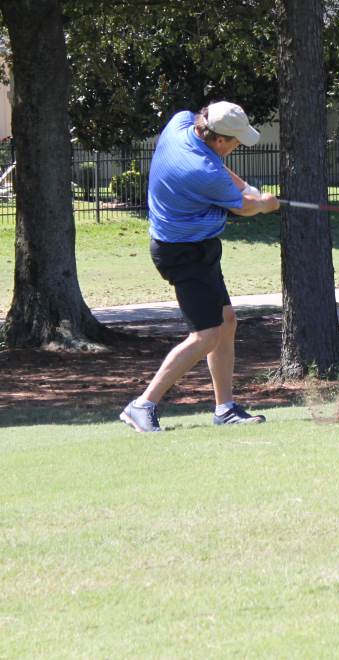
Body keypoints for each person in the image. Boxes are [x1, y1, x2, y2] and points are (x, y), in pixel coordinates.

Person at [119, 101, 280, 433]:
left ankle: (225, 409)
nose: (236, 147)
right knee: (206, 335)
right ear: (219, 140)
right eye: (235, 141)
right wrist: (263, 203)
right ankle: (142, 405)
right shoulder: (201, 171)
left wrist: (248, 189)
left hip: (197, 245)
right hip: (181, 252)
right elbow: (245, 208)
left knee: (226, 321)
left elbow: (223, 174)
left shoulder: (181, 124)